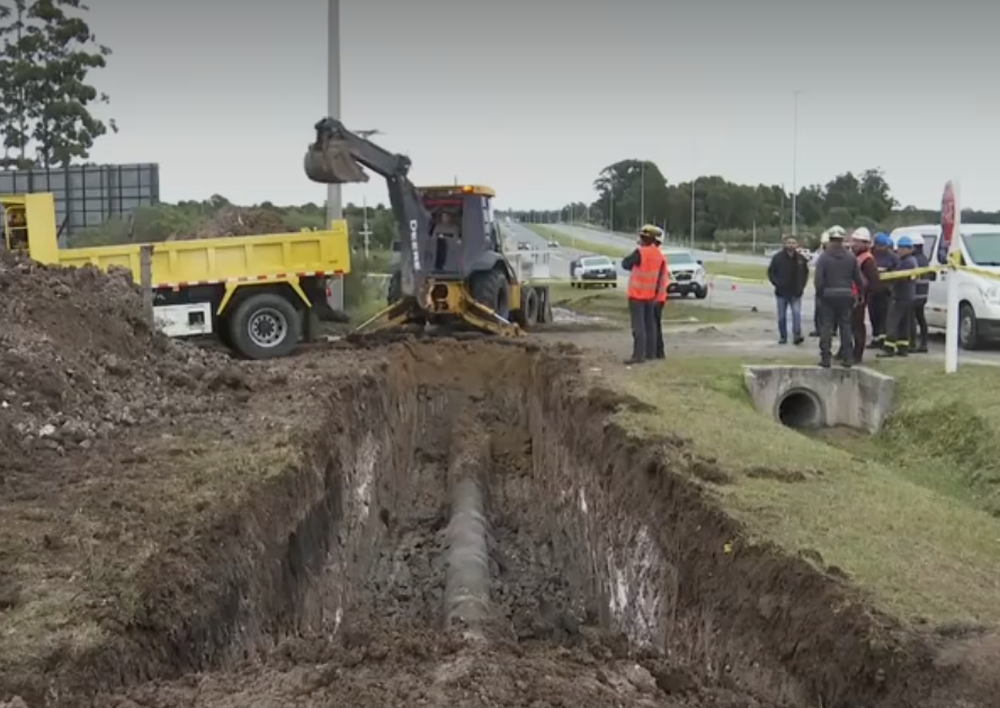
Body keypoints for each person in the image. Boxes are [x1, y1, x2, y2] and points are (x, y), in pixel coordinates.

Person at [814, 229, 863, 368]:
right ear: (842, 240)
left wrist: (819, 294)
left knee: (826, 326)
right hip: (846, 295)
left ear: (830, 239)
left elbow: (819, 279)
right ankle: (847, 358)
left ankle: (825, 358)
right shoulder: (850, 257)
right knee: (846, 327)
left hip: (827, 295)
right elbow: (858, 278)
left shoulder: (824, 257)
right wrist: (859, 293)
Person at [621, 224, 666, 364]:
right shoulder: (659, 254)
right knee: (650, 325)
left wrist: (639, 248)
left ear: (643, 238)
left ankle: (638, 355)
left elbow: (625, 264)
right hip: (650, 295)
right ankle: (650, 353)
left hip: (637, 295)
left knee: (638, 326)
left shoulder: (640, 252)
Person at [877, 236, 918, 358]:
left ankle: (889, 348)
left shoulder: (907, 262)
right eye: (898, 247)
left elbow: (897, 276)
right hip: (908, 296)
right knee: (904, 323)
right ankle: (903, 347)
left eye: (901, 248)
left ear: (909, 249)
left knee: (892, 322)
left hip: (900, 296)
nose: (899, 250)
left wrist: (885, 275)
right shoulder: (910, 261)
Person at [767, 234, 810, 344]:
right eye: (789, 243)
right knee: (782, 316)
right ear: (785, 244)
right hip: (781, 293)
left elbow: (805, 273)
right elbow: (771, 272)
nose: (791, 245)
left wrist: (802, 286)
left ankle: (797, 335)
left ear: (797, 244)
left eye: (793, 243)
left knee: (796, 314)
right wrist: (777, 283)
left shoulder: (801, 259)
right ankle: (783, 336)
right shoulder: (777, 258)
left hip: (796, 292)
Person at [849, 228, 880, 364]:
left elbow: (874, 281)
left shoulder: (868, 260)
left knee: (857, 326)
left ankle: (857, 354)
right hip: (852, 296)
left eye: (857, 241)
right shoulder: (856, 256)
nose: (854, 244)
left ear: (866, 243)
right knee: (849, 325)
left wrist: (864, 295)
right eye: (853, 241)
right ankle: (848, 351)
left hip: (859, 298)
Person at [867, 233, 898, 350]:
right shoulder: (870, 255)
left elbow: (897, 272)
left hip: (886, 292)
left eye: (884, 246)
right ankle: (875, 339)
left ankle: (883, 339)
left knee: (884, 317)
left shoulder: (892, 257)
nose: (882, 248)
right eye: (880, 246)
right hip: (872, 291)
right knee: (873, 316)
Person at [809, 226, 841, 336]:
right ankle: (819, 329)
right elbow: (812, 264)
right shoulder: (820, 254)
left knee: (833, 311)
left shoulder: (835, 255)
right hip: (822, 286)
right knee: (819, 310)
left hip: (830, 286)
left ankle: (832, 329)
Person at [909, 234, 932, 353]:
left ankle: (912, 344)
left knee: (911, 320)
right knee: (921, 319)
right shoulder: (925, 259)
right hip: (923, 294)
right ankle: (924, 344)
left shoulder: (914, 260)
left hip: (914, 294)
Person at [652, 229, 669, 359]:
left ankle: (658, 352)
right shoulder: (659, 255)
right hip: (659, 297)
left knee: (654, 325)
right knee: (656, 325)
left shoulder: (657, 256)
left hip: (656, 298)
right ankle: (658, 351)